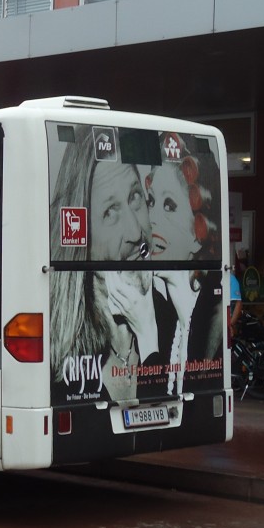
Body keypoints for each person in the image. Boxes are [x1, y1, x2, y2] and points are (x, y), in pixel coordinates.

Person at [49, 125, 175, 403]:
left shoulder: (175, 325)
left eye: (134, 197)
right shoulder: (56, 351)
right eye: (110, 212)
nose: (135, 232)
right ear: (83, 238)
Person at [144, 138, 225, 392]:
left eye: (169, 205)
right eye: (150, 203)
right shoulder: (161, 312)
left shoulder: (216, 314)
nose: (151, 219)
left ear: (198, 230)